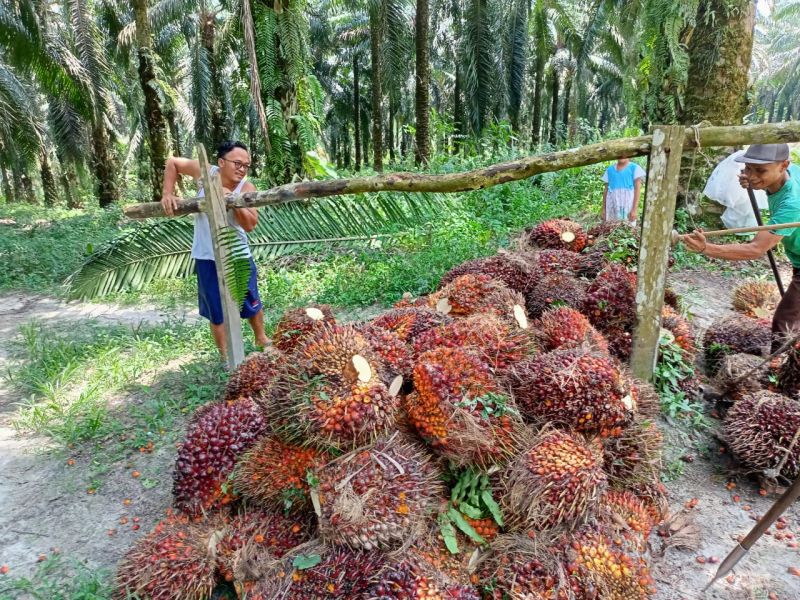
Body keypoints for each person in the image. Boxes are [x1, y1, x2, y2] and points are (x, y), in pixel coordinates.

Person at [683, 143, 800, 351]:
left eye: (760, 171)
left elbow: (755, 249)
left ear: (783, 165)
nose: (751, 176)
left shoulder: (791, 204)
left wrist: (706, 248)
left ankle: (781, 368)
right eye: (748, 168)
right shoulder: (791, 172)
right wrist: (757, 180)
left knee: (785, 324)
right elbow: (760, 177)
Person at [160, 140, 270, 358]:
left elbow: (250, 225)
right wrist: (167, 193)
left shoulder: (246, 188)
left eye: (246, 165)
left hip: (237, 255)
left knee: (250, 301)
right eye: (237, 163)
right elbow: (173, 162)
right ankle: (225, 356)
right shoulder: (205, 171)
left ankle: (261, 337)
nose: (242, 169)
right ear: (221, 162)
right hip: (206, 256)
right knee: (216, 310)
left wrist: (231, 199)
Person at [602, 156, 646, 224]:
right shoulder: (609, 170)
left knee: (627, 227)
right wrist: (604, 209)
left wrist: (634, 210)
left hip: (628, 208)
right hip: (612, 207)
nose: (622, 155)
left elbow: (637, 190)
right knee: (611, 227)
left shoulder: (634, 168)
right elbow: (606, 191)